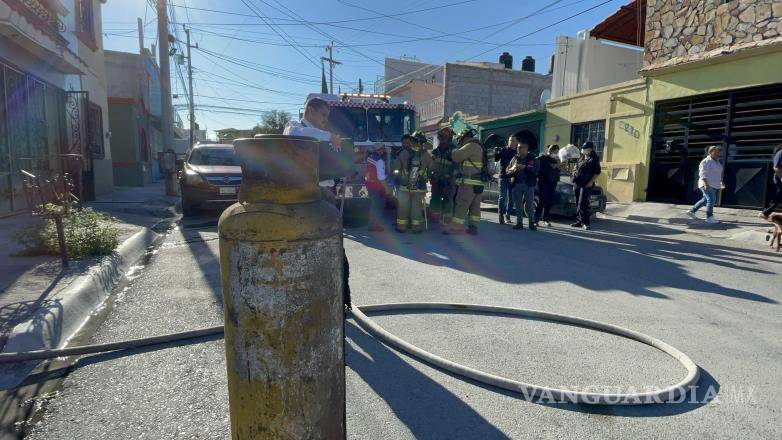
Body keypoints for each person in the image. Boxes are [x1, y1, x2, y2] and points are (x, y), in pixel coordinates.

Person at [282, 97, 351, 309]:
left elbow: (335, 160)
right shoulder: (295, 128)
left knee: (334, 252)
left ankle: (338, 300)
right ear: (309, 110)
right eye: (323, 115)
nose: (324, 120)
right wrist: (329, 136)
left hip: (326, 194)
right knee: (308, 251)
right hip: (305, 197)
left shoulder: (323, 136)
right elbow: (296, 135)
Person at [446, 129, 485, 235]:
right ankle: (473, 227)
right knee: (475, 206)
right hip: (479, 183)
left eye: (460, 139)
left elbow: (456, 157)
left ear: (464, 138)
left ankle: (456, 228)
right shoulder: (480, 145)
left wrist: (454, 149)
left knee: (461, 204)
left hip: (468, 183)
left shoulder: (470, 146)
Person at [394, 132, 433, 233]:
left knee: (403, 206)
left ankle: (401, 227)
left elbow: (396, 167)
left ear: (412, 141)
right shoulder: (425, 154)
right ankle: (416, 228)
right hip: (419, 186)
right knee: (416, 207)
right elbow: (433, 167)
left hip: (404, 186)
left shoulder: (404, 152)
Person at [687, 145, 725, 224]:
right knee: (711, 200)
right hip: (707, 183)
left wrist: (721, 181)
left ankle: (691, 211)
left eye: (718, 152)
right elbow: (702, 174)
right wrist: (706, 184)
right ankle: (709, 217)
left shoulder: (717, 161)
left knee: (705, 200)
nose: (718, 153)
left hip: (713, 184)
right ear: (710, 152)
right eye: (716, 152)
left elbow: (718, 173)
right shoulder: (706, 161)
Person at [507, 139, 539, 230]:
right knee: (518, 205)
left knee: (529, 204)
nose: (518, 149)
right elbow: (507, 170)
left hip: (529, 185)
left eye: (520, 147)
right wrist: (513, 170)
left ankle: (531, 223)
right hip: (517, 184)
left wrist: (525, 167)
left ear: (526, 149)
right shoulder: (515, 158)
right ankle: (519, 222)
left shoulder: (533, 158)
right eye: (517, 147)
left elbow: (536, 171)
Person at [571, 142, 601, 230]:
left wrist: (591, 182)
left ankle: (585, 223)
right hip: (577, 183)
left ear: (590, 149)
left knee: (582, 203)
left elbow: (597, 172)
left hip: (586, 184)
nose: (583, 150)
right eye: (583, 148)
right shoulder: (582, 157)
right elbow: (576, 167)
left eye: (585, 148)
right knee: (577, 202)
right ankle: (579, 221)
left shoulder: (594, 158)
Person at [429, 127, 456, 225]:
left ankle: (447, 220)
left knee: (447, 200)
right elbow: (431, 165)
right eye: (441, 137)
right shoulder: (436, 151)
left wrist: (451, 176)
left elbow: (457, 166)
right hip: (436, 179)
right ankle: (435, 218)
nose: (442, 139)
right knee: (435, 198)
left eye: (444, 137)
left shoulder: (454, 151)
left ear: (449, 138)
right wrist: (430, 175)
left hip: (448, 180)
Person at [494, 134, 518, 225]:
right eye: (510, 140)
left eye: (513, 141)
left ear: (516, 143)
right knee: (502, 197)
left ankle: (507, 214)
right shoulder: (503, 150)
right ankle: (501, 215)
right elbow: (496, 159)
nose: (511, 142)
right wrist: (495, 152)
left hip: (513, 178)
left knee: (511, 198)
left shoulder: (517, 153)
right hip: (503, 177)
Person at [535, 144, 561, 227]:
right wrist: (554, 165)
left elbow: (558, 170)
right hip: (543, 182)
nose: (555, 153)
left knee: (549, 202)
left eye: (557, 151)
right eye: (554, 151)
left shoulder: (556, 159)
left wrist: (560, 166)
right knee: (541, 201)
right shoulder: (543, 158)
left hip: (552, 183)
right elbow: (541, 166)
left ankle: (546, 219)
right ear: (549, 150)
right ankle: (535, 220)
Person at [365, 143, 387, 232]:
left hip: (369, 184)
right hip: (377, 186)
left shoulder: (370, 158)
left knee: (373, 205)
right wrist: (387, 189)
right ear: (380, 150)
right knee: (378, 206)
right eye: (383, 148)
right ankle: (376, 225)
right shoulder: (379, 160)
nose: (384, 150)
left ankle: (371, 224)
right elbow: (381, 177)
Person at [760, 145, 782, 220]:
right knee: (778, 196)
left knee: (779, 196)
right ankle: (765, 213)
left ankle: (765, 213)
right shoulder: (780, 153)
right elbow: (776, 167)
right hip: (779, 178)